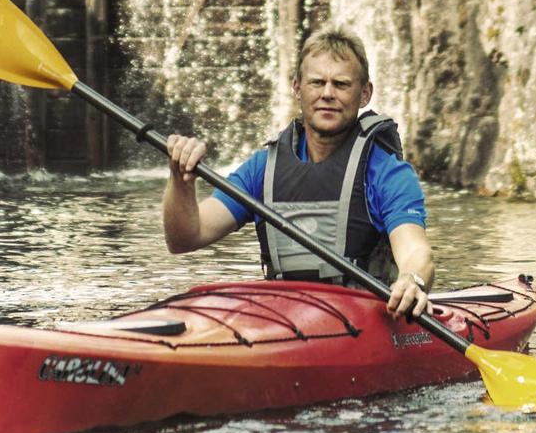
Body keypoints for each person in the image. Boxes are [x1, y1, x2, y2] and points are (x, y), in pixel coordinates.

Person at [162, 30, 435, 321]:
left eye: (341, 84)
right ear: (297, 88)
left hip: (365, 319)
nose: (327, 93)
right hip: (282, 320)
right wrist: (180, 181)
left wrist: (412, 279)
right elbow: (185, 238)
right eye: (317, 82)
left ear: (365, 93)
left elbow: (416, 251)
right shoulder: (263, 169)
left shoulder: (386, 172)